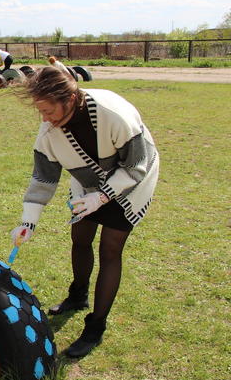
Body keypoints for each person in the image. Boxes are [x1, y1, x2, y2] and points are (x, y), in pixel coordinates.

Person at [10, 67, 159, 358]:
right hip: (90, 180)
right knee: (80, 235)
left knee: (110, 249)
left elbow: (135, 165)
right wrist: (29, 221)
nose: (43, 118)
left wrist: (103, 197)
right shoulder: (50, 132)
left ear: (68, 99)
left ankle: (95, 326)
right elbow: (43, 178)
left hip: (133, 179)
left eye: (47, 109)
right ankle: (77, 295)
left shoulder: (113, 114)